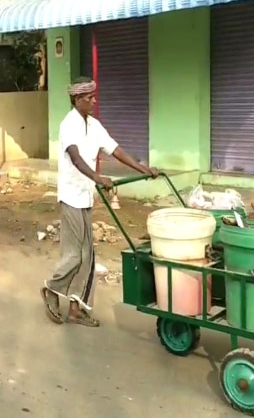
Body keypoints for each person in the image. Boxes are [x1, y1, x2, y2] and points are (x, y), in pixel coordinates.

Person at [42, 77, 158, 327]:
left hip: (85, 196)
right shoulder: (68, 124)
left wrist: (142, 168)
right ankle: (51, 289)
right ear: (76, 100)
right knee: (75, 255)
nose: (94, 101)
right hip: (71, 196)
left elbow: (114, 149)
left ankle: (76, 308)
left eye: (94, 96)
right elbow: (75, 157)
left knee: (89, 256)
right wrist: (97, 177)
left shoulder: (93, 125)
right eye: (88, 98)